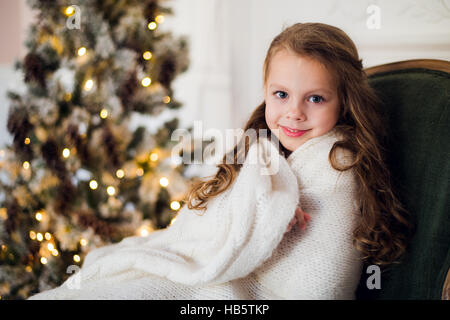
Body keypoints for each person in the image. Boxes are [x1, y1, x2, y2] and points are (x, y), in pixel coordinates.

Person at [28, 22, 413, 300]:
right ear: (265, 92)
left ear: (344, 101)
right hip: (214, 268)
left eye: (315, 98)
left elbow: (318, 272)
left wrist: (272, 215)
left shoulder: (337, 163)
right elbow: (217, 216)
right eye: (281, 94)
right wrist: (264, 206)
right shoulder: (263, 148)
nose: (294, 112)